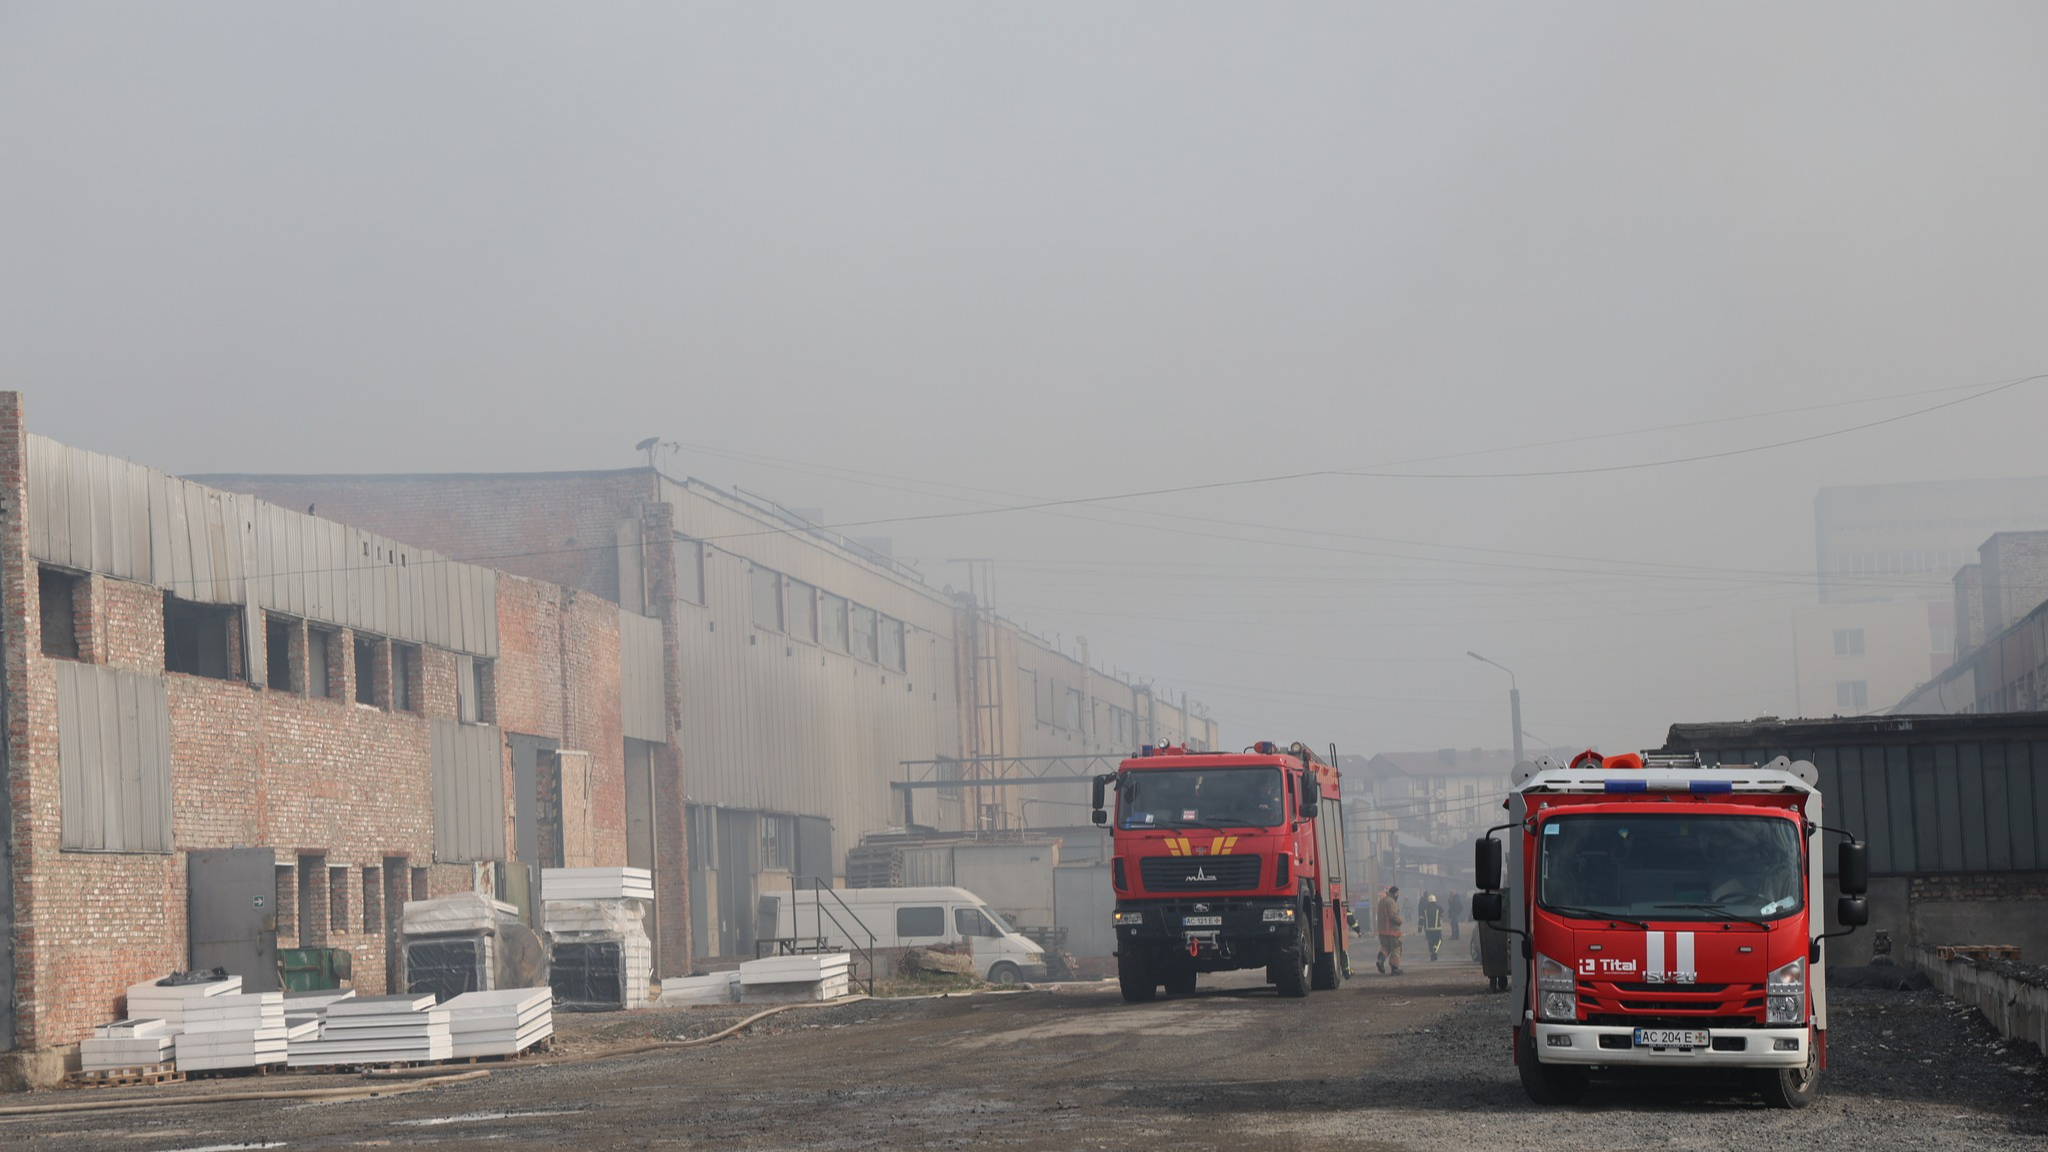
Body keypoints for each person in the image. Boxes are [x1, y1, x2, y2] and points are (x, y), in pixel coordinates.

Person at [1374, 885, 1404, 975]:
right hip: (1392, 930)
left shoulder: (1382, 901)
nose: (1398, 895)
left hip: (1382, 930)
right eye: (1397, 893)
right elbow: (1393, 916)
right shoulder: (1391, 901)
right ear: (1394, 893)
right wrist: (1400, 921)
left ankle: (1380, 960)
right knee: (1396, 947)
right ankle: (1394, 969)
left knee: (1385, 947)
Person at [1418, 892, 1445, 961]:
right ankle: (1435, 950)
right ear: (1435, 900)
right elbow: (1443, 914)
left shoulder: (1424, 908)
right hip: (1437, 929)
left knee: (1430, 941)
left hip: (1428, 929)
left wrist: (1419, 928)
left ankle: (1432, 956)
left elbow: (1421, 919)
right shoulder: (1438, 907)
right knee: (1439, 940)